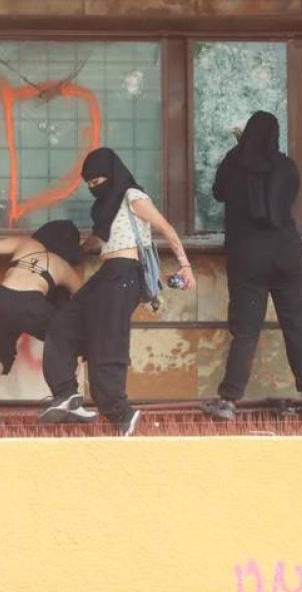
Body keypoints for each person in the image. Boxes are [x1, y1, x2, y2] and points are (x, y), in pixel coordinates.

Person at [39, 147, 196, 436]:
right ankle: (66, 394)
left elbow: (166, 228)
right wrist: (65, 252)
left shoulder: (132, 197)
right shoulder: (106, 208)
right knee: (62, 324)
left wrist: (185, 266)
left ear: (112, 175)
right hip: (107, 274)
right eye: (89, 184)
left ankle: (121, 414)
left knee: (106, 341)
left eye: (98, 181)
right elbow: (95, 242)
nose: (94, 188)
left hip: (125, 274)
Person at [201, 110, 302, 421]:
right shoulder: (286, 166)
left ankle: (228, 402)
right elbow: (286, 197)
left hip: (248, 258)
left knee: (245, 331)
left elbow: (218, 192)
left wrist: (238, 148)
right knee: (297, 326)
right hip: (287, 254)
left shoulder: (234, 164)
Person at [0, 220, 92, 425]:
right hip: (30, 303)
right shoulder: (62, 265)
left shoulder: (24, 244)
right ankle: (66, 395)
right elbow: (85, 299)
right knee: (63, 337)